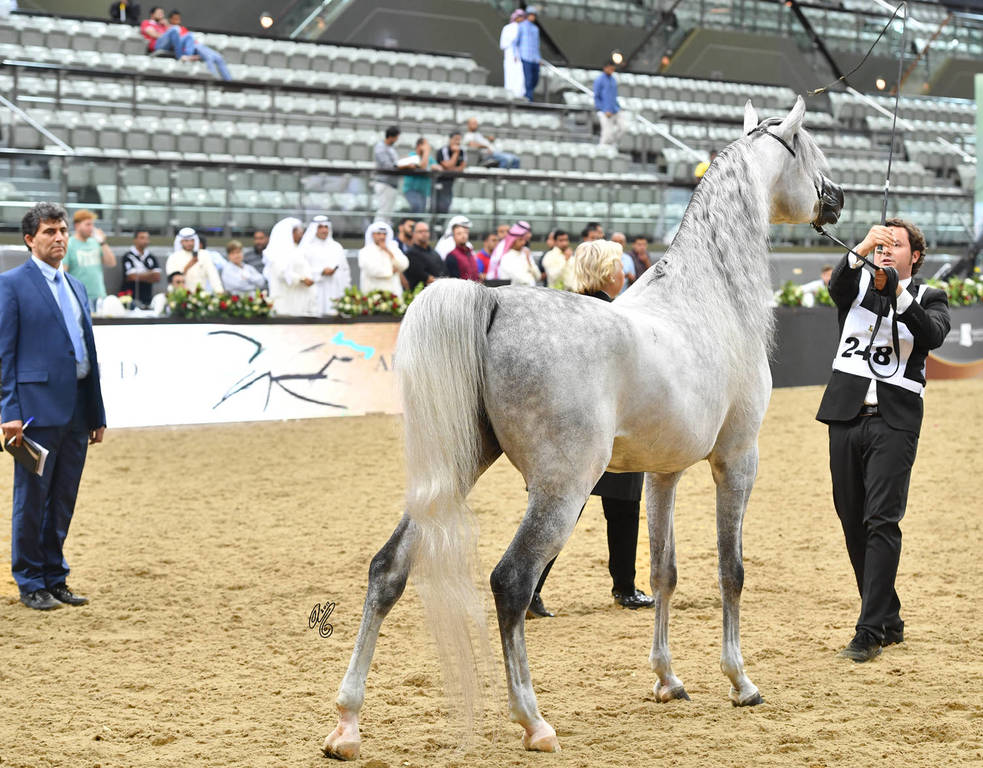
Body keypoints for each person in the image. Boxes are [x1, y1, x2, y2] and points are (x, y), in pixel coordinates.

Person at [816, 220, 950, 662]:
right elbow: (837, 286)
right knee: (853, 520)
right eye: (882, 244)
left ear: (915, 256)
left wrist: (897, 292)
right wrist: (862, 247)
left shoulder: (930, 297)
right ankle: (889, 617)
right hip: (846, 415)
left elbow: (931, 334)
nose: (886, 250)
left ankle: (869, 631)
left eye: (896, 245)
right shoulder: (856, 287)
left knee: (881, 520)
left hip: (895, 421)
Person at [528, 239, 654, 618]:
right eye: (619, 266)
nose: (624, 273)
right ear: (605, 271)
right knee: (622, 509)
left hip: (572, 430)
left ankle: (532, 587)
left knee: (561, 511)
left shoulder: (566, 311)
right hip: (609, 427)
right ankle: (625, 587)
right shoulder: (614, 317)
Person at [0, 203, 107, 611]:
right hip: (33, 412)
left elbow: (88, 355)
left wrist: (97, 413)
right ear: (30, 239)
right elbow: (4, 356)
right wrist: (8, 412)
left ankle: (54, 575)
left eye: (62, 230)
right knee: (32, 499)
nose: (59, 237)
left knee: (63, 498)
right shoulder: (11, 285)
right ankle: (29, 580)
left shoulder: (76, 285)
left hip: (77, 410)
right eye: (49, 231)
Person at [63, 209, 116, 312]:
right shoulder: (69, 244)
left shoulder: (95, 242)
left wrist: (103, 242)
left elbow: (111, 263)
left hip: (99, 296)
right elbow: (63, 273)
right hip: (79, 297)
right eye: (88, 224)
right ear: (77, 225)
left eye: (92, 225)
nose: (91, 228)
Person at [301, 215, 350, 316]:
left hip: (335, 291)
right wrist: (321, 272)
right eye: (320, 227)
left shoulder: (336, 247)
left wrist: (346, 292)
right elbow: (302, 271)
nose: (324, 230)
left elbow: (345, 271)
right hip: (316, 291)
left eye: (326, 227)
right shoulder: (306, 248)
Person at [265, 217, 315, 316]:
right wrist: (302, 279)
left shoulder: (297, 249)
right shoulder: (277, 251)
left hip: (299, 300)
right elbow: (281, 273)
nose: (301, 234)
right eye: (299, 231)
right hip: (285, 303)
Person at [167, 10, 232, 80]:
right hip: (190, 48)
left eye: (178, 19)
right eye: (175, 19)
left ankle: (229, 82)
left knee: (219, 58)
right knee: (209, 58)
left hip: (197, 46)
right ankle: (215, 81)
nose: (178, 21)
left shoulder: (182, 28)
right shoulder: (170, 30)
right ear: (170, 19)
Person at [165, 226, 224, 293]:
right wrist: (190, 264)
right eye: (186, 241)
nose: (190, 243)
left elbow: (214, 277)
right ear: (181, 242)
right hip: (181, 296)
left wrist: (220, 292)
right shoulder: (173, 257)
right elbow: (173, 280)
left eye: (192, 240)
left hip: (201, 296)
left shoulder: (204, 255)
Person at [358, 221, 409, 295]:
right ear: (372, 235)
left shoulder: (393, 248)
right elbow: (372, 270)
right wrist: (391, 271)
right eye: (378, 234)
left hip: (394, 293)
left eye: (384, 234)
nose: (382, 237)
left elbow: (404, 264)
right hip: (373, 293)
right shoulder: (365, 251)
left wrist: (388, 252)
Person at [405, 221, 456, 290]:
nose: (424, 234)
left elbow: (445, 272)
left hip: (441, 290)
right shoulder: (411, 253)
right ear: (413, 234)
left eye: (426, 231)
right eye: (420, 231)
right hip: (422, 295)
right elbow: (426, 278)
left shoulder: (434, 252)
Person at [121, 229, 161, 308]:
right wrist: (150, 273)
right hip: (130, 298)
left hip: (147, 298)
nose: (145, 241)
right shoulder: (128, 256)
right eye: (142, 238)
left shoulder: (151, 257)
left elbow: (157, 277)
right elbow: (131, 277)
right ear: (135, 240)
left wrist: (139, 274)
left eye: (147, 238)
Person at [373, 126, 401, 220]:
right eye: (397, 137)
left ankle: (386, 233)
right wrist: (400, 166)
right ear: (392, 136)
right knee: (382, 212)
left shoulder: (391, 148)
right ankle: (377, 233)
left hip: (392, 184)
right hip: (384, 183)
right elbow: (387, 166)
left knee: (388, 213)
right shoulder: (380, 147)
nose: (397, 139)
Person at [435, 132, 466, 215]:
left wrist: (452, 169)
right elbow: (448, 166)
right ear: (450, 140)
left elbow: (462, 167)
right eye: (456, 139)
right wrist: (455, 153)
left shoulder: (462, 151)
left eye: (459, 140)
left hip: (451, 182)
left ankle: (441, 224)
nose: (457, 142)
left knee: (447, 204)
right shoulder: (442, 150)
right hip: (440, 182)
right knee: (438, 206)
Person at [402, 137, 436, 214]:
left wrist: (434, 166)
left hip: (424, 192)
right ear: (419, 146)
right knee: (416, 207)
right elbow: (423, 167)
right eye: (425, 145)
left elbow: (438, 167)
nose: (428, 146)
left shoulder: (429, 158)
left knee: (421, 213)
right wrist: (426, 151)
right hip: (411, 190)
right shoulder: (412, 156)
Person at [593, 60, 623, 146]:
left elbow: (614, 96)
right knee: (606, 134)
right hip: (604, 111)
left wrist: (617, 107)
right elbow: (597, 96)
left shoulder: (613, 80)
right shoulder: (599, 80)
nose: (612, 70)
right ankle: (602, 150)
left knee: (623, 127)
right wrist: (604, 110)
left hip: (615, 110)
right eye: (610, 68)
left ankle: (612, 143)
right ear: (605, 68)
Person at [516, 6, 541, 102]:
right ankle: (528, 97)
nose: (532, 17)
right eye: (531, 15)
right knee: (528, 78)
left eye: (534, 15)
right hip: (525, 56)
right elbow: (516, 42)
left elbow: (536, 44)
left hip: (535, 58)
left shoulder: (535, 29)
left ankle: (529, 94)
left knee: (536, 79)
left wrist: (539, 58)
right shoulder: (521, 26)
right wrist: (516, 54)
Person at [500, 8, 526, 99]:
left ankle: (518, 95)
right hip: (510, 55)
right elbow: (503, 44)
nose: (522, 19)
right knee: (510, 74)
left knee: (520, 75)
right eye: (520, 17)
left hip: (521, 55)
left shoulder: (523, 28)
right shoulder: (507, 28)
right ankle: (510, 95)